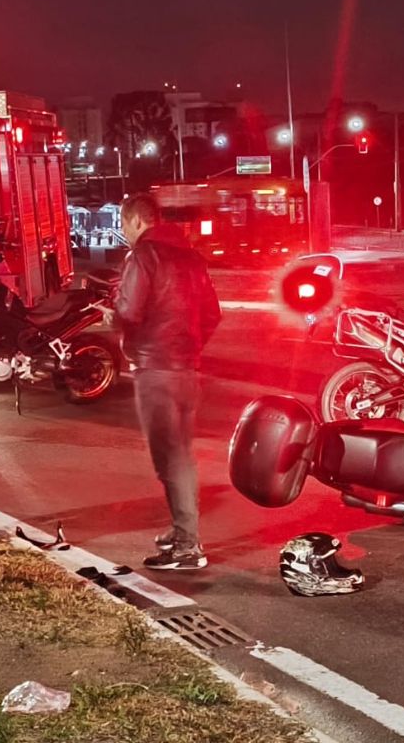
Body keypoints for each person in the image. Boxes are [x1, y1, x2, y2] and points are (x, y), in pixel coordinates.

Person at [114, 193, 221, 570]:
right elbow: (212, 313)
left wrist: (125, 334)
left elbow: (128, 310)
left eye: (125, 225)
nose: (125, 233)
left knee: (169, 458)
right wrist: (190, 346)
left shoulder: (144, 256)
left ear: (137, 221)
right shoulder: (192, 257)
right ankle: (181, 530)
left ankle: (188, 545)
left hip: (155, 369)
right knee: (180, 455)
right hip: (187, 369)